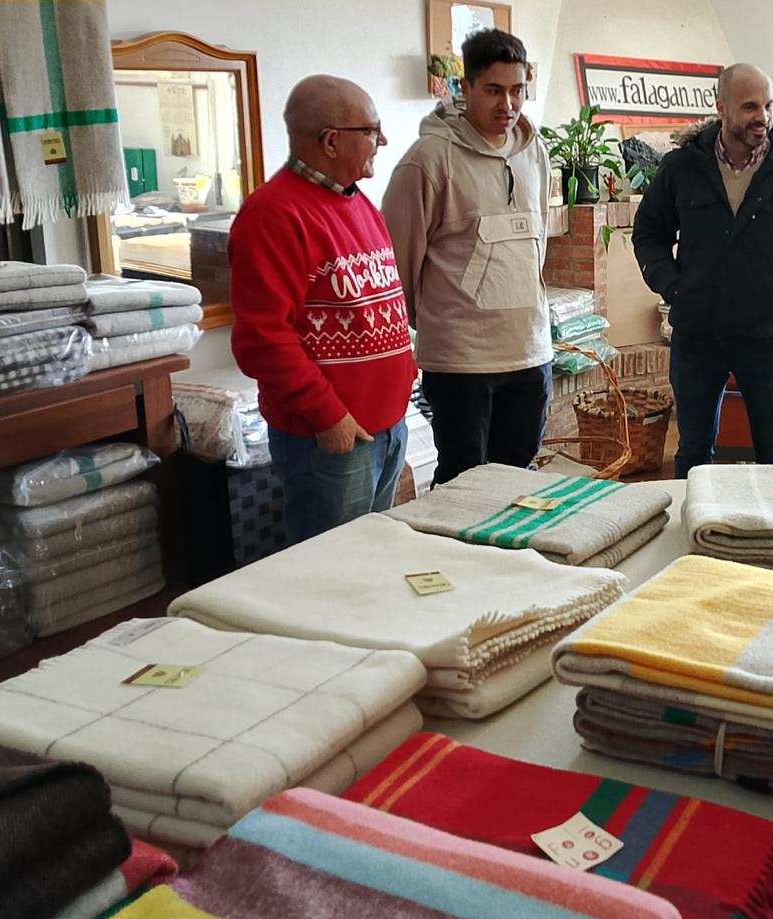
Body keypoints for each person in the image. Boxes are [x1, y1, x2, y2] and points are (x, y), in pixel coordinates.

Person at [229, 75, 414, 545]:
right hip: (333, 439)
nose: (383, 141)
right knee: (334, 573)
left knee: (371, 559)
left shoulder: (357, 204)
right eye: (372, 130)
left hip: (385, 428)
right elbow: (262, 340)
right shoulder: (273, 214)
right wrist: (327, 416)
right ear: (331, 141)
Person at [632, 63, 773, 477]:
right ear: (721, 108)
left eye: (768, 105)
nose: (762, 116)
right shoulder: (681, 167)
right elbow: (648, 234)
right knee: (692, 455)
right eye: (749, 106)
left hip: (766, 336)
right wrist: (673, 287)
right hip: (695, 335)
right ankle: (695, 537)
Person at [383, 29, 551, 486]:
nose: (508, 105)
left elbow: (538, 245)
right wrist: (441, 322)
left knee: (519, 482)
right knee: (463, 486)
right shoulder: (428, 160)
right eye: (494, 91)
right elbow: (397, 267)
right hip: (461, 362)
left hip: (529, 352)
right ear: (466, 88)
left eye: (517, 91)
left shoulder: (536, 151)